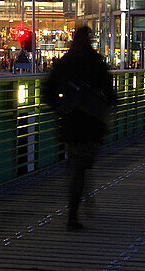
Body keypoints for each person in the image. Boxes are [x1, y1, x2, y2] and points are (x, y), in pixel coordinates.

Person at [43, 26, 117, 231]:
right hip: (91, 120)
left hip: (70, 119)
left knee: (75, 163)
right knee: (82, 165)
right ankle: (78, 206)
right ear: (90, 39)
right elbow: (109, 91)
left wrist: (59, 107)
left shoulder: (64, 62)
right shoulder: (96, 61)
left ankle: (77, 205)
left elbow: (48, 91)